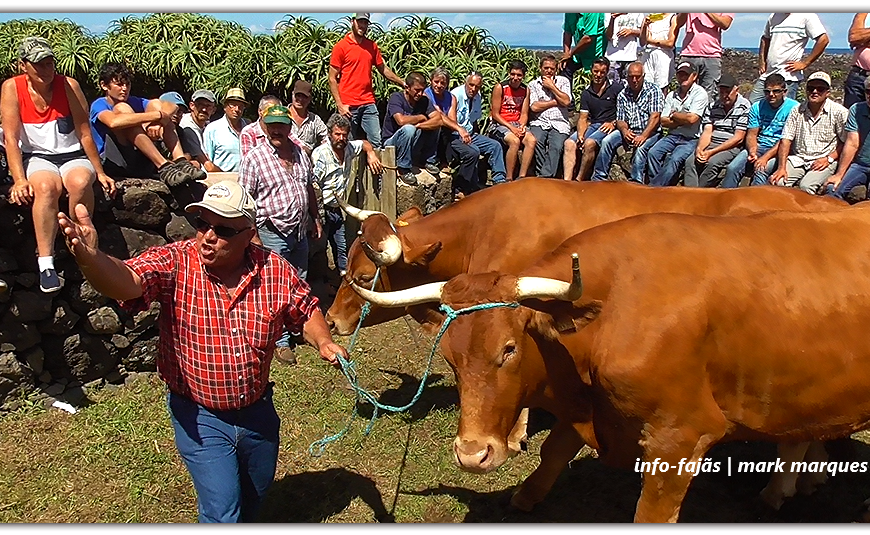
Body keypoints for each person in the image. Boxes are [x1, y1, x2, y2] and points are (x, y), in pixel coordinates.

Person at [57, 179, 347, 523]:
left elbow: (305, 308)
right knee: (222, 510)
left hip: (257, 412)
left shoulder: (275, 270)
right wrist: (91, 259)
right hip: (200, 414)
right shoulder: (176, 262)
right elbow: (129, 281)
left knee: (255, 496)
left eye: (223, 230)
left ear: (249, 233)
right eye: (202, 224)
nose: (208, 236)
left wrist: (324, 341)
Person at [1, 36, 116, 293]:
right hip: (37, 156)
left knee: (80, 182)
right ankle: (46, 263)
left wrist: (100, 171)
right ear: (23, 65)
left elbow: (84, 132)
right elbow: (11, 138)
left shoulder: (69, 85)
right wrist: (19, 179)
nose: (46, 70)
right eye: (39, 64)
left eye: (49, 63)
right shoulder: (12, 88)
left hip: (72, 154)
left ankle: (84, 248)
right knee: (45, 187)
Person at [237, 105, 321, 365]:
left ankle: (298, 328)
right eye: (271, 125)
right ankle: (280, 340)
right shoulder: (255, 158)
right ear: (264, 126)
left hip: (299, 229)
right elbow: (244, 200)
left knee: (299, 281)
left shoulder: (300, 153)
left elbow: (308, 187)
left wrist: (315, 217)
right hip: (271, 231)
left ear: (289, 127)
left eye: (281, 125)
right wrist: (252, 235)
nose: (276, 130)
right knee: (273, 286)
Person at [89, 61, 203, 186]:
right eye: (119, 85)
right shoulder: (99, 104)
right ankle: (163, 166)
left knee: (155, 105)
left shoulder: (134, 101)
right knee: (124, 111)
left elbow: (171, 106)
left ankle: (180, 161)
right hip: (114, 162)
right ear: (104, 85)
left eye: (127, 84)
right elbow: (113, 122)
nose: (125, 89)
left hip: (140, 161)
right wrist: (157, 116)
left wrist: (158, 122)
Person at [312, 113, 383, 273]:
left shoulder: (349, 147)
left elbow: (364, 143)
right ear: (329, 134)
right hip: (322, 209)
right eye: (337, 134)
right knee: (320, 248)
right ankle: (324, 280)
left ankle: (344, 277)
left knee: (341, 247)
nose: (341, 138)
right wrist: (317, 216)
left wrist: (371, 154)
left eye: (344, 135)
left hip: (337, 208)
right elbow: (314, 185)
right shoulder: (321, 154)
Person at [329, 12, 405, 148]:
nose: (362, 25)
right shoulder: (341, 47)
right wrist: (340, 105)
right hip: (348, 105)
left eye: (365, 22)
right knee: (348, 143)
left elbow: (383, 69)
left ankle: (377, 162)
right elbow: (332, 78)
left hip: (368, 102)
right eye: (360, 22)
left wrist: (402, 83)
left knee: (376, 141)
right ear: (352, 22)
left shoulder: (372, 46)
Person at [768, 71, 847, 194]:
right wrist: (781, 167)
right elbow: (786, 139)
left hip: (823, 160)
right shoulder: (796, 110)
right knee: (778, 181)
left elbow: (846, 142)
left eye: (820, 89)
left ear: (828, 92)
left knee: (806, 186)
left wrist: (829, 159)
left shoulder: (839, 112)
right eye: (811, 88)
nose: (815, 91)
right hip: (798, 159)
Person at [721, 73, 799, 188]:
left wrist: (765, 157)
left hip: (779, 149)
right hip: (760, 145)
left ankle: (756, 197)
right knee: (732, 168)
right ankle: (726, 196)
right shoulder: (757, 107)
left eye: (776, 91)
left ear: (784, 92)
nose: (771, 95)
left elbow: (786, 140)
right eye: (767, 91)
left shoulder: (794, 108)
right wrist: (752, 151)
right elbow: (752, 134)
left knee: (761, 169)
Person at [593, 61, 663, 183]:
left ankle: (636, 182)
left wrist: (643, 136)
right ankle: (599, 177)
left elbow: (655, 117)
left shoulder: (653, 90)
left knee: (640, 148)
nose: (634, 80)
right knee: (606, 141)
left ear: (643, 76)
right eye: (631, 77)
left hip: (650, 132)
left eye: (637, 76)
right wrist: (625, 131)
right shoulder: (623, 94)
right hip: (630, 130)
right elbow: (620, 119)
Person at [647, 61, 709, 187]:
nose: (683, 77)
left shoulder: (700, 93)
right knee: (653, 153)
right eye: (680, 74)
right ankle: (660, 187)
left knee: (674, 159)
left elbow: (692, 119)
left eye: (686, 74)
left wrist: (674, 115)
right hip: (672, 136)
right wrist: (682, 120)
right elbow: (663, 121)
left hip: (691, 139)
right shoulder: (672, 95)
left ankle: (654, 189)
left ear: (694, 76)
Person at [684, 73, 750, 187]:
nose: (724, 96)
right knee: (690, 162)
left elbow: (738, 138)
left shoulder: (744, 107)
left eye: (727, 92)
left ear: (736, 90)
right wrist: (700, 149)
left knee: (712, 163)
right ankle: (691, 192)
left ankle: (702, 192)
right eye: (721, 92)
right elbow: (707, 131)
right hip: (712, 143)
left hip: (730, 147)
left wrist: (711, 152)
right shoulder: (713, 106)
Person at [448, 71, 508, 193]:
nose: (473, 89)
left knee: (495, 146)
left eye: (477, 86)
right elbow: (451, 122)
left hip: (470, 134)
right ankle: (464, 187)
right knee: (474, 150)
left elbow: (474, 120)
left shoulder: (477, 96)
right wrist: (462, 133)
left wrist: (478, 135)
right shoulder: (455, 95)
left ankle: (499, 180)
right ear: (465, 83)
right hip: (456, 135)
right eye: (471, 85)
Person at [748, 13, 829, 104]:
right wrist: (762, 62)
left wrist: (805, 63)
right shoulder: (773, 16)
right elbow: (765, 38)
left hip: (788, 76)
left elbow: (823, 40)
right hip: (768, 74)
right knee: (752, 104)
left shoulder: (807, 16)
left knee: (784, 108)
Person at [562, 56, 620, 182]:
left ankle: (579, 179)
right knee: (569, 143)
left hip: (608, 126)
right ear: (591, 70)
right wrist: (580, 135)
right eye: (596, 71)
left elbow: (624, 111)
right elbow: (583, 118)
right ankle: (567, 181)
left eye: (602, 72)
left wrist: (614, 123)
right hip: (593, 125)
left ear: (607, 72)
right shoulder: (586, 93)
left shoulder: (616, 89)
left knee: (589, 143)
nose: (598, 75)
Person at [381, 72, 442, 187]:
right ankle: (403, 168)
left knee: (434, 126)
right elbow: (401, 121)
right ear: (407, 88)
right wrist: (420, 117)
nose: (420, 94)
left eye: (422, 90)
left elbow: (438, 120)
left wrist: (419, 126)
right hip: (391, 143)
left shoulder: (424, 100)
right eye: (417, 90)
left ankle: (428, 161)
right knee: (409, 129)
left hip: (412, 140)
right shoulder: (396, 98)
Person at [488, 60, 536, 180]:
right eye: (513, 74)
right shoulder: (500, 87)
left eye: (519, 75)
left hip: (516, 123)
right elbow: (495, 114)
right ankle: (509, 177)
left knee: (531, 140)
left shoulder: (525, 90)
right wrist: (512, 128)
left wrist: (522, 126)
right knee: (514, 141)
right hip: (500, 124)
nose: (515, 78)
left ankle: (522, 176)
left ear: (523, 76)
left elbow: (524, 113)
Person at [825, 77, 870, 199]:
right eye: (868, 91)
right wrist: (839, 174)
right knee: (832, 189)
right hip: (861, 165)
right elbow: (852, 143)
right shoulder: (856, 110)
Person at [528, 54, 572, 178]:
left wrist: (552, 87)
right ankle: (545, 176)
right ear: (540, 68)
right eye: (546, 68)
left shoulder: (563, 81)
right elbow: (534, 107)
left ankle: (543, 177)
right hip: (539, 121)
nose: (549, 71)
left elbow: (566, 102)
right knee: (536, 142)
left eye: (552, 69)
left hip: (559, 122)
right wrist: (555, 102)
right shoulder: (533, 84)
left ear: (556, 70)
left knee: (556, 146)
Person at [675, 13, 735, 100]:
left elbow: (725, 24)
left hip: (712, 55)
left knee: (709, 95)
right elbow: (678, 23)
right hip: (689, 53)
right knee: (684, 91)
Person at [202, 88, 249, 172]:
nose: (236, 109)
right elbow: (208, 161)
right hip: (222, 177)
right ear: (225, 107)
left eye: (240, 106)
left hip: (247, 177)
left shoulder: (248, 128)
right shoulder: (213, 129)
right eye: (232, 105)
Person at [423, 66, 456, 175]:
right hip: (429, 127)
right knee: (439, 125)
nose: (439, 85)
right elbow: (439, 115)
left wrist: (453, 125)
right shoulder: (426, 94)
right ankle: (431, 160)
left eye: (443, 83)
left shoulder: (451, 97)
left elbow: (453, 120)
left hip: (445, 129)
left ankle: (444, 162)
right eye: (436, 82)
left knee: (447, 129)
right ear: (431, 81)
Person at [179, 89, 221, 172]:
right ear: (192, 106)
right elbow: (207, 165)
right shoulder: (187, 127)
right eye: (200, 105)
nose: (204, 109)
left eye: (208, 106)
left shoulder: (208, 126)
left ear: (213, 110)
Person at [560, 13, 606, 84]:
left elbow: (588, 38)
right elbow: (567, 33)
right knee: (564, 68)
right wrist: (566, 54)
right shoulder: (569, 14)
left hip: (596, 56)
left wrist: (570, 54)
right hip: (579, 55)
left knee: (596, 80)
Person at [639, 13, 680, 94]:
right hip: (648, 57)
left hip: (663, 57)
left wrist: (649, 41)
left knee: (661, 88)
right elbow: (642, 42)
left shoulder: (672, 18)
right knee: (646, 86)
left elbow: (670, 43)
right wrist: (645, 26)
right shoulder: (650, 17)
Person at [288, 80, 327, 156]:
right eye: (298, 95)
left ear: (309, 99)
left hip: (307, 160)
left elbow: (327, 138)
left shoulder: (315, 120)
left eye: (304, 97)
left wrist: (318, 153)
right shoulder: (282, 115)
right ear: (292, 94)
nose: (300, 99)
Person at [604, 13, 645, 84]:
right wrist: (612, 18)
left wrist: (631, 31)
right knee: (611, 86)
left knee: (629, 86)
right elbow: (608, 36)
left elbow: (642, 33)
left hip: (630, 58)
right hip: (612, 57)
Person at [845, 13, 870, 109]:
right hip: (858, 76)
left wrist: (864, 40)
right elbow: (854, 37)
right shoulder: (863, 13)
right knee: (852, 111)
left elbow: (858, 38)